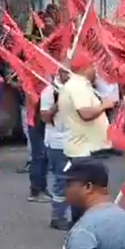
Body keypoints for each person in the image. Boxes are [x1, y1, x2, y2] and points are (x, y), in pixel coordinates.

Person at [56, 54, 115, 223]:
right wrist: (105, 105)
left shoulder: (80, 86)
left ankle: (85, 223)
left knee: (86, 190)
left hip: (84, 145)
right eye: (93, 67)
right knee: (86, 191)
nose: (95, 71)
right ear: (84, 68)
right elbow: (85, 113)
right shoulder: (77, 87)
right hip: (82, 148)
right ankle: (82, 225)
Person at [41, 68, 72, 230]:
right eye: (68, 72)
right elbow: (44, 117)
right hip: (58, 144)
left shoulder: (79, 90)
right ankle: (58, 216)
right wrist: (59, 104)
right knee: (62, 179)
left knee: (77, 179)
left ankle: (75, 214)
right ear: (60, 72)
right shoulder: (50, 92)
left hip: (77, 142)